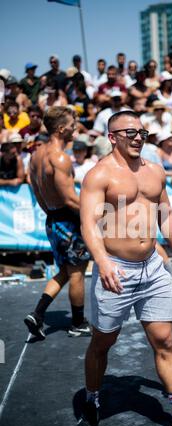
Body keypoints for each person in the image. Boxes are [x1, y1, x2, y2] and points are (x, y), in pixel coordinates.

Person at [75, 110, 172, 426]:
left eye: (142, 131)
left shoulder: (154, 171)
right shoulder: (99, 175)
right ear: (112, 137)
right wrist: (102, 261)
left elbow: (167, 215)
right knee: (103, 342)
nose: (138, 136)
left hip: (153, 268)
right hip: (115, 268)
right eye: (130, 132)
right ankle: (91, 402)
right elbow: (88, 224)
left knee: (166, 342)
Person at [24, 106, 91, 339]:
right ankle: (78, 323)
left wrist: (54, 215)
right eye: (72, 124)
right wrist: (99, 213)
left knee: (65, 270)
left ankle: (38, 314)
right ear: (61, 129)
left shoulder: (35, 156)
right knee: (77, 274)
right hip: (67, 219)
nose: (75, 128)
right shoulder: (60, 157)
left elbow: (39, 195)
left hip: (53, 219)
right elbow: (70, 198)